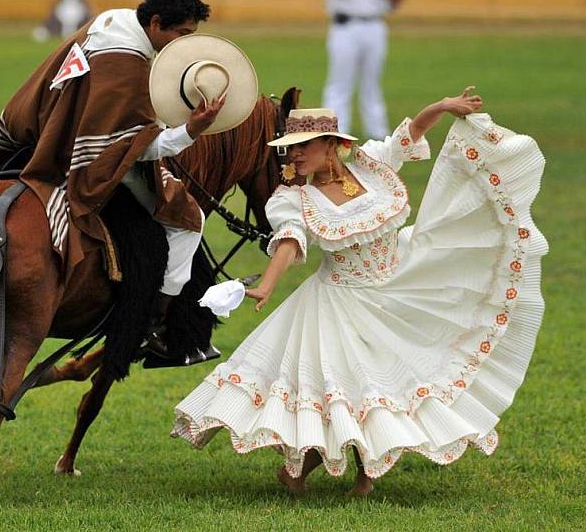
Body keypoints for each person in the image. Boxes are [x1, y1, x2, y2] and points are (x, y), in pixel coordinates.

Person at [172, 88, 548, 496]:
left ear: (332, 146)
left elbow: (408, 135)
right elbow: (289, 240)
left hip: (396, 288)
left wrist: (440, 107)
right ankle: (312, 473)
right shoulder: (293, 198)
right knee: (346, 388)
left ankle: (356, 474)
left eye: (303, 147)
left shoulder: (372, 167)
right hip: (338, 300)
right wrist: (266, 283)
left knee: (393, 383)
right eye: (289, 149)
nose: (294, 156)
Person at [0, 0, 224, 366]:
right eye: (180, 34)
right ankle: (155, 322)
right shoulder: (126, 62)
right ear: (156, 22)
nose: (181, 43)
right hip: (83, 159)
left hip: (38, 134)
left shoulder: (114, 20)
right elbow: (128, 148)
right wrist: (190, 131)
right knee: (187, 219)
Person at [320, 0, 402, 140]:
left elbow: (387, 4)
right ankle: (335, 129)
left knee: (372, 81)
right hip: (345, 27)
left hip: (374, 26)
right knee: (340, 81)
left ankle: (377, 130)